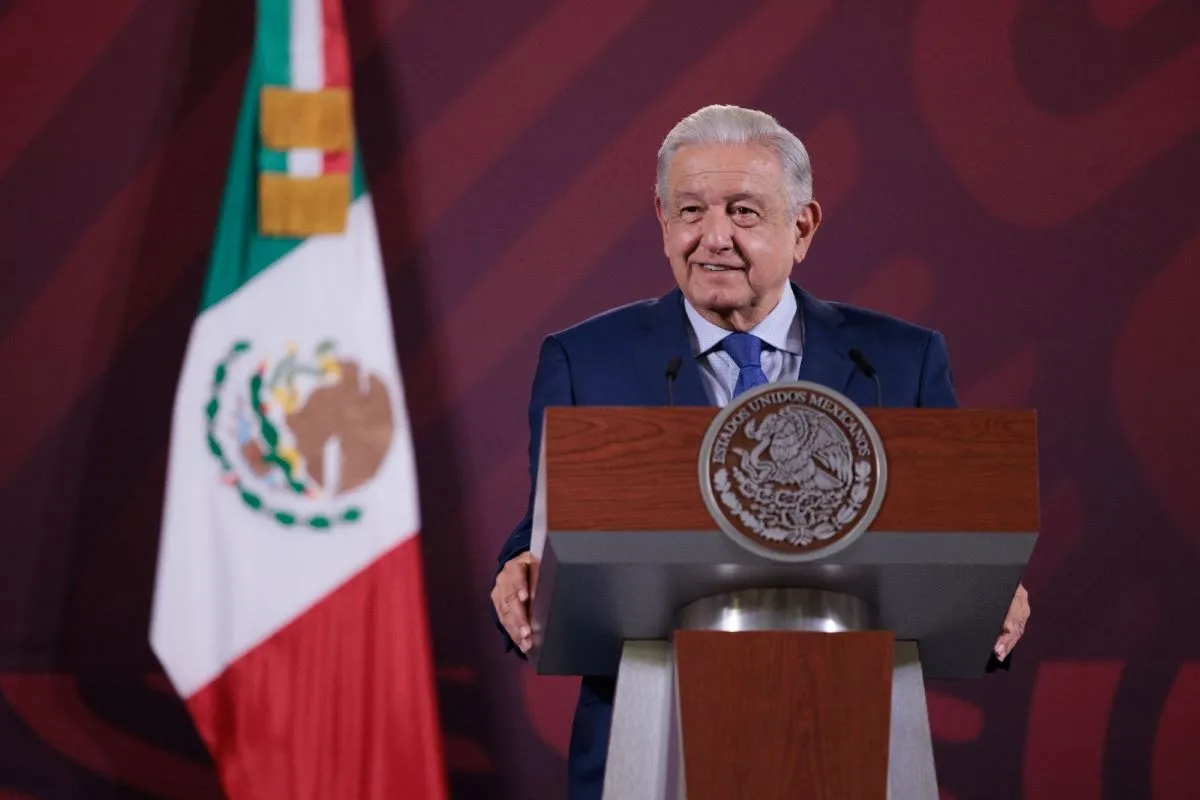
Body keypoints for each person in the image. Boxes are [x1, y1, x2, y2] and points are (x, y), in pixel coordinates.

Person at [489, 104, 1031, 800]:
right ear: (661, 219)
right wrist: (518, 565)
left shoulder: (895, 361)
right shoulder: (585, 360)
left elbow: (953, 529)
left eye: (744, 212)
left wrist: (990, 585)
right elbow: (555, 519)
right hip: (650, 737)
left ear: (802, 227)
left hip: (851, 727)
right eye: (690, 210)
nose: (712, 236)